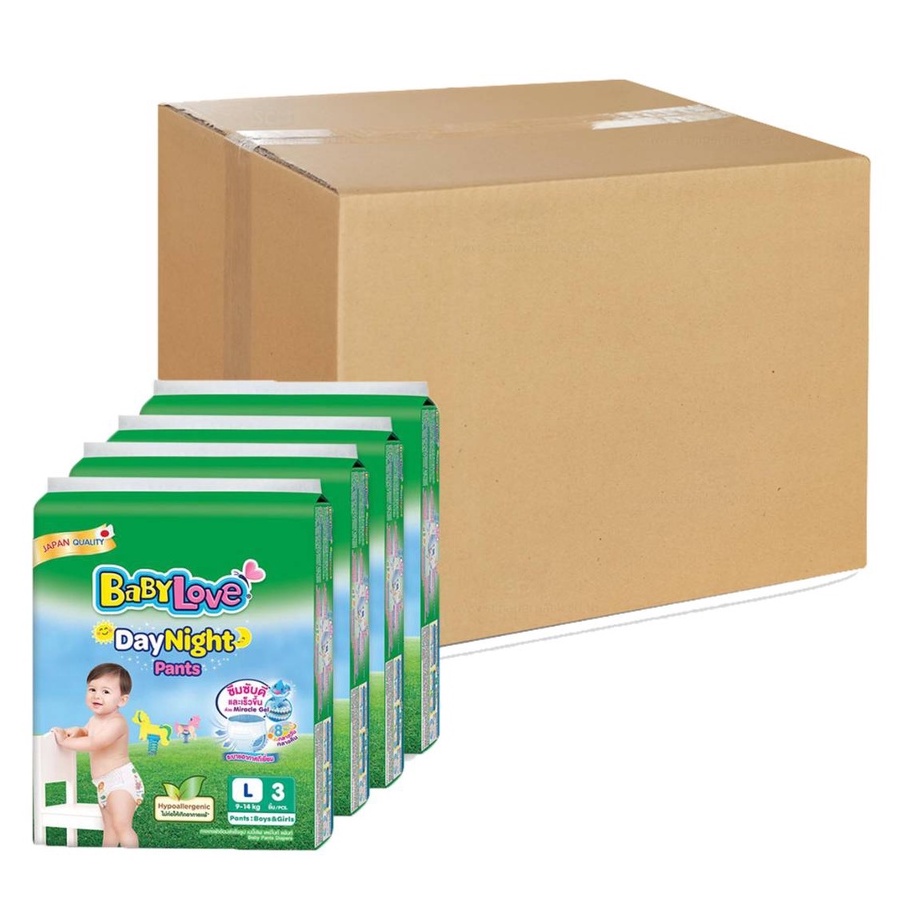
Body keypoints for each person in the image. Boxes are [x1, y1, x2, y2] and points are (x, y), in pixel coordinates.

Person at [52, 663, 143, 847]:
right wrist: (77, 731)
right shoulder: (95, 719)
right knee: (109, 828)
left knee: (121, 826)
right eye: (92, 689)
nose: (96, 696)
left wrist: (65, 742)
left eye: (106, 692)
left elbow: (95, 742)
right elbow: (87, 733)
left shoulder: (117, 723)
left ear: (122, 700)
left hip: (121, 782)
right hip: (103, 784)